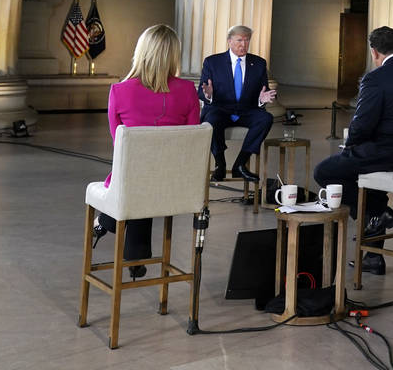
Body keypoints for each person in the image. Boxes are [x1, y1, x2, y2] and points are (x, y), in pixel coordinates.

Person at [314, 26, 393, 274]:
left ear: (374, 52)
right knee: (374, 189)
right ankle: (374, 258)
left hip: (384, 154)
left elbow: (362, 124)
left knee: (324, 171)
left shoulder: (375, 79)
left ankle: (378, 213)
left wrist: (351, 144)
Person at [91, 24, 201, 278]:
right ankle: (135, 257)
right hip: (174, 182)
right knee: (150, 174)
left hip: (131, 179)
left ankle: (107, 224)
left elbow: (120, 144)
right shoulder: (187, 91)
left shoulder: (119, 91)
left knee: (138, 173)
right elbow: (190, 140)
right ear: (174, 54)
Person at [198, 24, 276, 182]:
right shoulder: (212, 62)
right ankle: (220, 163)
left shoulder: (259, 63)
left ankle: (240, 164)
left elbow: (263, 90)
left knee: (265, 118)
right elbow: (202, 91)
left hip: (247, 110)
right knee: (211, 120)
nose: (243, 44)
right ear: (229, 41)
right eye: (239, 40)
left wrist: (262, 99)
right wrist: (209, 94)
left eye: (247, 41)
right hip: (221, 109)